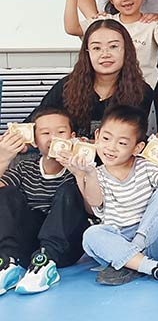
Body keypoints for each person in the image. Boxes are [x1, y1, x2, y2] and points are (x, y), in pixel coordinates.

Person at [77, 105, 158, 286]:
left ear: (137, 147)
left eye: (122, 143)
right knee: (91, 235)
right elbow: (95, 202)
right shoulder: (96, 173)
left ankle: (133, 259)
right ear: (96, 136)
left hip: (156, 239)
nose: (111, 147)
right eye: (106, 138)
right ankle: (153, 267)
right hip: (120, 241)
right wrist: (88, 174)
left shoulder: (146, 166)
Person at [0, 109, 91, 295]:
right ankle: (8, 263)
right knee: (6, 192)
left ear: (72, 137)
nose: (53, 138)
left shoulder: (81, 169)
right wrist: (3, 159)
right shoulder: (24, 168)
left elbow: (92, 210)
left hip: (65, 248)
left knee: (69, 190)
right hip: (26, 248)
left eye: (60, 132)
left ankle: (45, 263)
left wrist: (80, 174)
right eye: (45, 133)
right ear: (34, 141)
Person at [33, 19, 154, 139]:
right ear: (87, 53)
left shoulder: (141, 91)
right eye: (96, 48)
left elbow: (134, 138)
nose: (105, 54)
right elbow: (34, 123)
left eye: (113, 46)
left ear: (126, 50)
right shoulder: (67, 86)